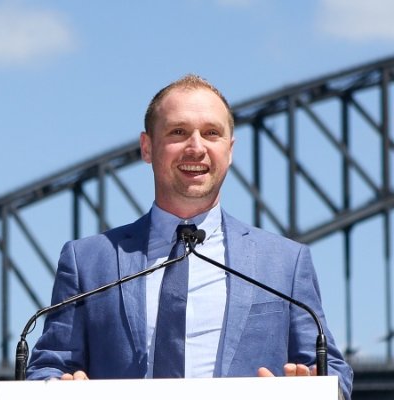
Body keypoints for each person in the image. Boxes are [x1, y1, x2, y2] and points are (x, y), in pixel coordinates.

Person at [26, 75, 353, 398]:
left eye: (212, 133)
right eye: (178, 132)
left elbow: (332, 371)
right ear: (147, 147)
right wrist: (57, 389)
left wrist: (312, 388)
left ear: (230, 149)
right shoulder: (87, 261)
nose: (196, 147)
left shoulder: (285, 262)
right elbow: (49, 365)